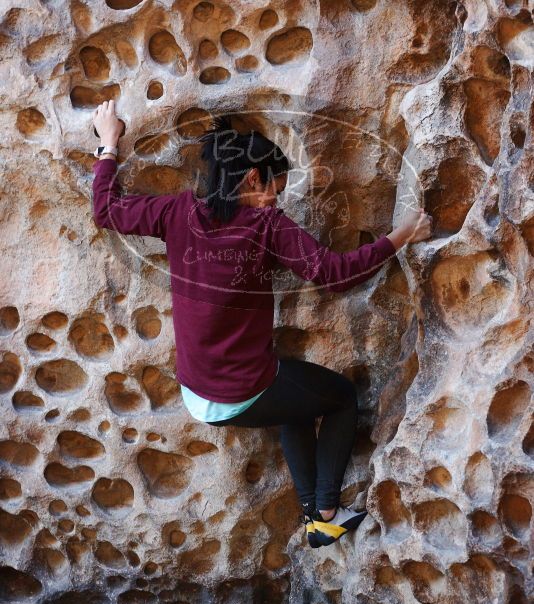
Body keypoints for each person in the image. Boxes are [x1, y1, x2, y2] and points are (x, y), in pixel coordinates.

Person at [91, 100, 432, 549]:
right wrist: (401, 236)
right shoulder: (267, 225)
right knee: (342, 399)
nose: (278, 200)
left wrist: (109, 145)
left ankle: (315, 516)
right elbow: (333, 274)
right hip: (238, 391)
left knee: (297, 399)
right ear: (253, 178)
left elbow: (106, 210)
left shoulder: (177, 213)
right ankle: (327, 511)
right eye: (277, 188)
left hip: (196, 389)